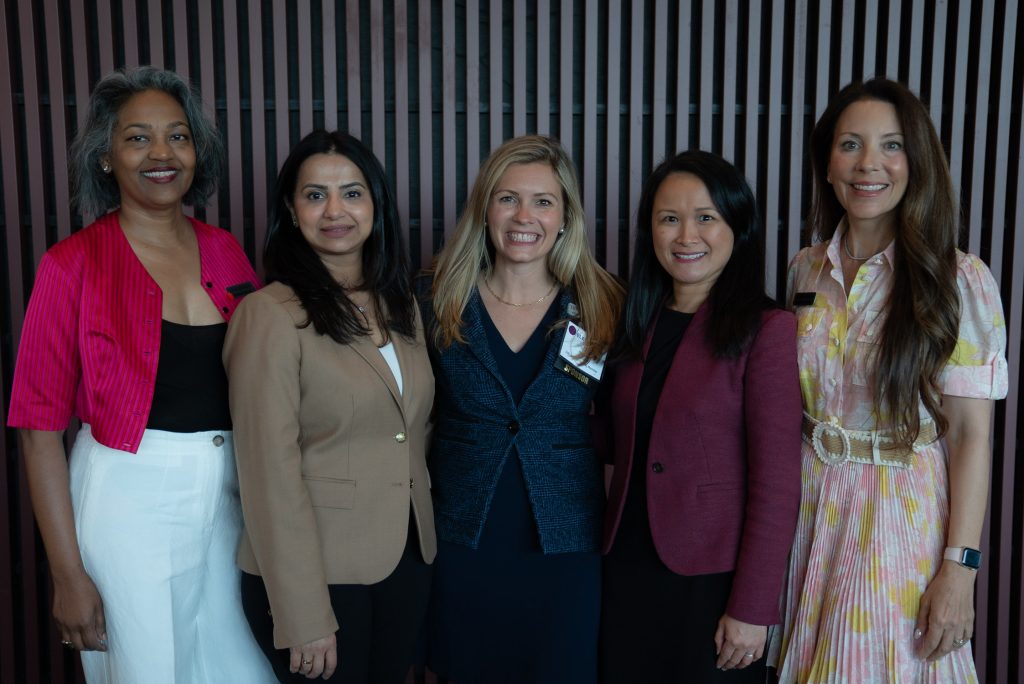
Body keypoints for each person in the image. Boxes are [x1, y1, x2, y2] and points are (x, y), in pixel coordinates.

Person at [6, 66, 274, 682]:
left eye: (177, 136)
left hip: (232, 495)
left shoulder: (225, 249)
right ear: (106, 156)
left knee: (242, 670)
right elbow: (37, 430)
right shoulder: (69, 265)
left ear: (196, 151)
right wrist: (68, 575)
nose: (161, 154)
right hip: (129, 503)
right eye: (137, 137)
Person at [771, 78, 1009, 682]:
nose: (869, 164)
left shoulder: (958, 279)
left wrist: (961, 568)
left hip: (901, 520)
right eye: (850, 144)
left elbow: (970, 436)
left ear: (916, 162)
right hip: (809, 510)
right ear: (827, 165)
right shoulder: (805, 267)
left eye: (891, 146)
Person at [224, 129, 436, 683]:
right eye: (315, 195)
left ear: (376, 205)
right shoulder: (269, 315)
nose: (335, 210)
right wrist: (301, 612)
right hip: (318, 578)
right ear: (291, 212)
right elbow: (268, 473)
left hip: (404, 559)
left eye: (352, 193)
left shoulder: (403, 306)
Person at [420, 135, 624, 682]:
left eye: (543, 201)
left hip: (565, 543)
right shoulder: (433, 298)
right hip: (463, 535)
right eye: (508, 198)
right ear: (484, 210)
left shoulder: (605, 303)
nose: (524, 216)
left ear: (565, 216)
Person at [596, 150, 802, 682]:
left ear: (738, 225)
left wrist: (754, 608)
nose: (687, 235)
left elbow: (777, 484)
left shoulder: (767, 329)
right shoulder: (631, 323)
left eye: (705, 217)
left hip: (712, 580)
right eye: (669, 219)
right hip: (625, 566)